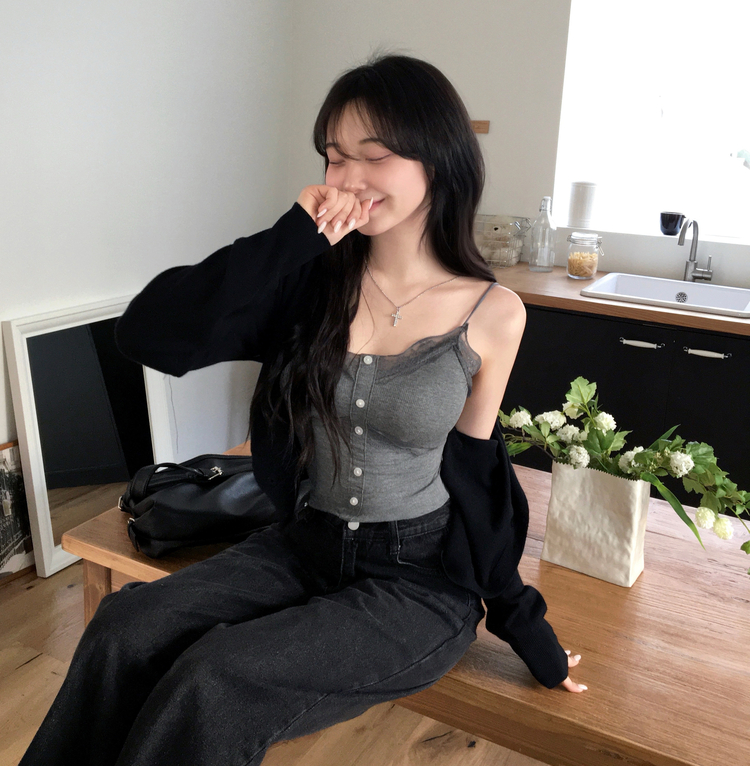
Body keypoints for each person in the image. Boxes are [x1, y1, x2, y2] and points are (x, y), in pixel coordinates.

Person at [19, 52, 585, 766]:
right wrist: (292, 236)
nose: (347, 178)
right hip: (302, 545)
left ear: (438, 161)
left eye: (372, 156)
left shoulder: (493, 314)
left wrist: (526, 626)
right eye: (334, 156)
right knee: (123, 626)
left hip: (417, 580)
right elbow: (148, 334)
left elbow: (478, 480)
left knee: (215, 680)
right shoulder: (307, 286)